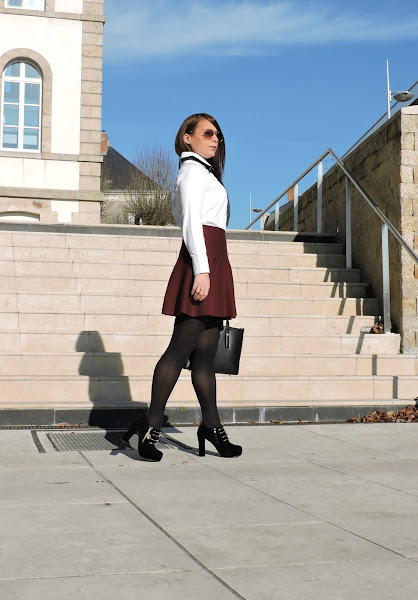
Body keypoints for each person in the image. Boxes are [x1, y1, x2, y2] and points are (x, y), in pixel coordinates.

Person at [123, 113, 242, 462]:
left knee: (205, 355)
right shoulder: (190, 172)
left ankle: (211, 426)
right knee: (179, 350)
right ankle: (150, 426)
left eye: (218, 134)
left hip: (213, 258)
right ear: (186, 138)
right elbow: (190, 223)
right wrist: (202, 271)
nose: (215, 138)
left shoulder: (204, 173)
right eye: (207, 133)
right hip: (203, 260)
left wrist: (211, 267)